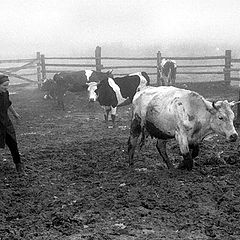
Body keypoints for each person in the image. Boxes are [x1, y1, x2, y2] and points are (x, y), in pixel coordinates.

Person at [0, 75, 25, 174]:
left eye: (7, 85)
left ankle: (19, 165)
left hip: (6, 122)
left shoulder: (5, 93)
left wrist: (15, 114)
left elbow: (8, 104)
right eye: (4, 85)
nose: (6, 88)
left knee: (13, 143)